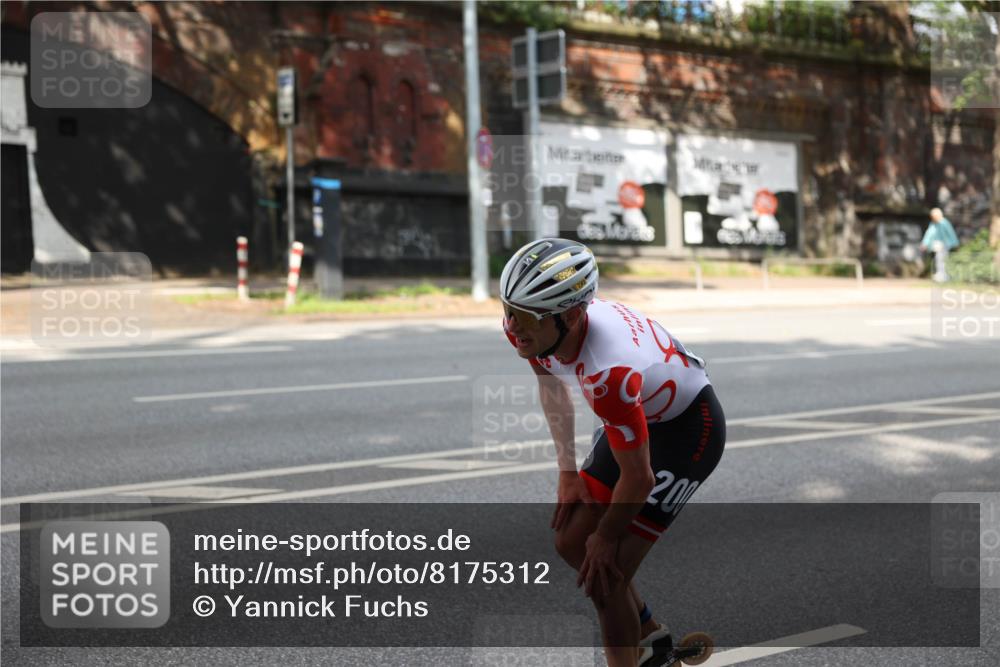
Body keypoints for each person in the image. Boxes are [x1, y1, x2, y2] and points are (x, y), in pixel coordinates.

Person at [499, 238, 726, 667]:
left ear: (569, 315)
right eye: (507, 308)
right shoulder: (533, 327)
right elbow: (550, 387)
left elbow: (638, 479)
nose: (513, 326)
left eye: (525, 316)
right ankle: (650, 639)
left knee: (605, 576)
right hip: (641, 416)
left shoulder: (608, 372)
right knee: (570, 541)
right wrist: (567, 472)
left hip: (688, 432)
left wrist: (606, 538)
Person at [920, 208, 960, 282]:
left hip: (945, 244)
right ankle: (941, 275)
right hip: (936, 245)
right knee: (938, 259)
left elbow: (951, 233)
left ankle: (944, 276)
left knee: (942, 259)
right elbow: (929, 234)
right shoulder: (933, 224)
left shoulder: (945, 223)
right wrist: (924, 243)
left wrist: (956, 243)